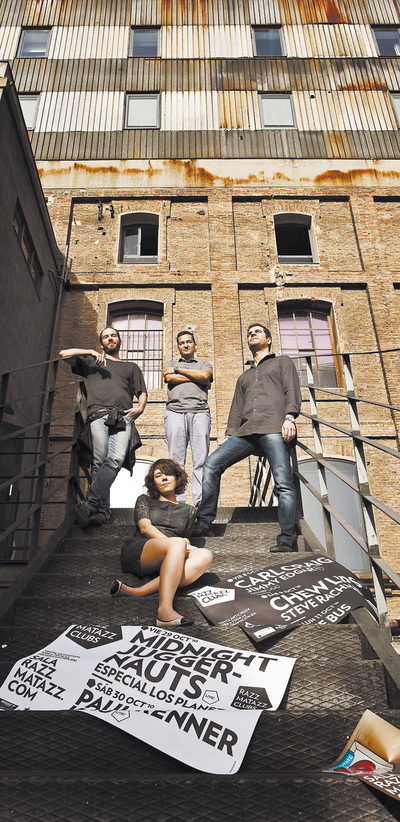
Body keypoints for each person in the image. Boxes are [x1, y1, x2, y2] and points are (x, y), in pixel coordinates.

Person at [193, 323, 301, 552]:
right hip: (245, 432)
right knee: (212, 464)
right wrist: (228, 435)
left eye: (258, 332)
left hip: (273, 427)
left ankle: (287, 539)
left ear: (268, 340)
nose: (252, 334)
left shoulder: (282, 362)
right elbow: (236, 409)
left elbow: (292, 390)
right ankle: (203, 523)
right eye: (250, 333)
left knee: (283, 482)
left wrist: (290, 417)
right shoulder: (245, 376)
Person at [59, 327, 147, 528]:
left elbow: (141, 391)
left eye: (113, 336)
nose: (110, 338)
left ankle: (89, 504)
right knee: (99, 462)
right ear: (101, 343)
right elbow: (63, 354)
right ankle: (102, 511)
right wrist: (89, 352)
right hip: (97, 415)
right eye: (106, 337)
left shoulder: (130, 366)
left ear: (120, 341)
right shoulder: (91, 363)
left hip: (123, 416)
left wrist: (141, 407)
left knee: (114, 459)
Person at [110, 458, 213, 627]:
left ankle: (138, 591)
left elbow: (184, 537)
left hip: (171, 554)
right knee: (178, 543)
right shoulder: (145, 500)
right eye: (158, 475)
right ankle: (164, 611)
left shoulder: (189, 511)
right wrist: (178, 544)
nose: (164, 478)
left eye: (168, 474)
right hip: (142, 548)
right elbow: (145, 527)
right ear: (153, 482)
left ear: (177, 478)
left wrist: (184, 544)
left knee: (205, 555)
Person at [163, 330, 213, 505]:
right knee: (176, 461)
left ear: (194, 344)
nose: (185, 345)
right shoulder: (169, 363)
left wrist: (179, 372)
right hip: (175, 412)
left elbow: (205, 376)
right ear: (178, 346)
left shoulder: (205, 364)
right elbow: (169, 376)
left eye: (188, 342)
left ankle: (199, 502)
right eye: (181, 342)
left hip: (200, 412)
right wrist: (196, 379)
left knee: (201, 460)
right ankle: (178, 502)